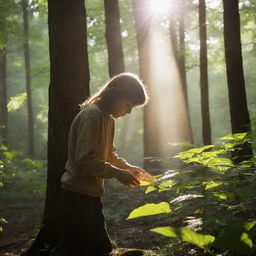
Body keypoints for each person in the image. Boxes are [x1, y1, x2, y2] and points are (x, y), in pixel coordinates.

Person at [61, 72, 149, 256]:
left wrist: (127, 167)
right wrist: (118, 173)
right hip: (77, 194)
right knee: (80, 248)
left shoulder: (107, 118)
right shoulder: (92, 115)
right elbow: (85, 159)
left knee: (101, 247)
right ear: (115, 94)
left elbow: (108, 152)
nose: (129, 111)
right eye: (128, 104)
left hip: (92, 194)